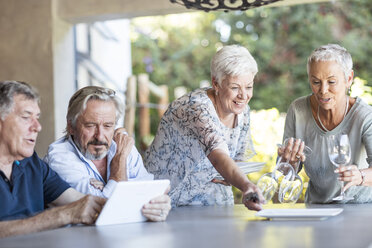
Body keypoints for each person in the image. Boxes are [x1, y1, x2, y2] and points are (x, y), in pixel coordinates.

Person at [144, 45, 264, 210]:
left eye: (249, 87)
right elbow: (218, 156)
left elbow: (236, 161)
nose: (243, 95)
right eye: (235, 87)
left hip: (214, 206)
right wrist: (246, 186)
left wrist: (234, 175)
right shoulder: (195, 107)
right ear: (216, 83)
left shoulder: (243, 112)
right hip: (167, 205)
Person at [44, 86, 171, 221]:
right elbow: (106, 211)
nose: (100, 136)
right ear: (71, 127)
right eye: (90, 125)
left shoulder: (121, 143)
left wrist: (158, 205)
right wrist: (119, 160)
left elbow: (151, 192)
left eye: (108, 126)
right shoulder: (59, 157)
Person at [0, 81, 106, 238]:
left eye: (37, 117)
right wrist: (61, 216)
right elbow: (70, 211)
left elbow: (81, 202)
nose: (37, 126)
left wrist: (143, 207)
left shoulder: (32, 164)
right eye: (26, 117)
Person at [278, 44, 372, 203]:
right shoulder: (298, 111)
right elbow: (286, 171)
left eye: (332, 81)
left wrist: (361, 176)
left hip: (360, 209)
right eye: (316, 82)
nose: (323, 90)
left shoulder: (365, 116)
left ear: (348, 79)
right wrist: (290, 162)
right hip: (316, 209)